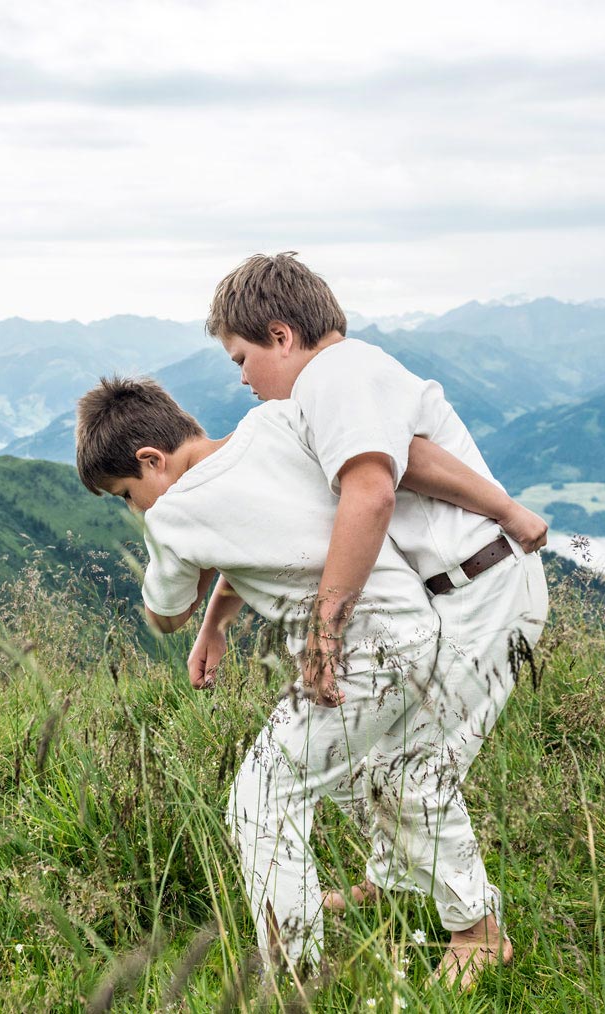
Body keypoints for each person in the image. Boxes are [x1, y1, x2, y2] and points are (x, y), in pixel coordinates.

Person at [191, 252, 549, 988]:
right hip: (461, 589)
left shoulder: (335, 375)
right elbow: (398, 467)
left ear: (283, 335)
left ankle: (479, 932)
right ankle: (392, 882)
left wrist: (326, 637)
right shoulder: (334, 391)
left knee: (412, 768)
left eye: (243, 357)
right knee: (377, 757)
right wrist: (218, 617)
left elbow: (371, 497)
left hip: (479, 594)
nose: (243, 378)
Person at [76, 376, 454, 976]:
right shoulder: (272, 424)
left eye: (127, 492)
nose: (134, 507)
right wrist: (218, 623)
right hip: (417, 629)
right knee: (389, 774)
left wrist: (177, 561)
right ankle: (469, 914)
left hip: (352, 659)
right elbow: (280, 532)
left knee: (260, 802)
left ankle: (295, 975)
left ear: (152, 461)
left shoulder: (173, 513)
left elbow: (167, 614)